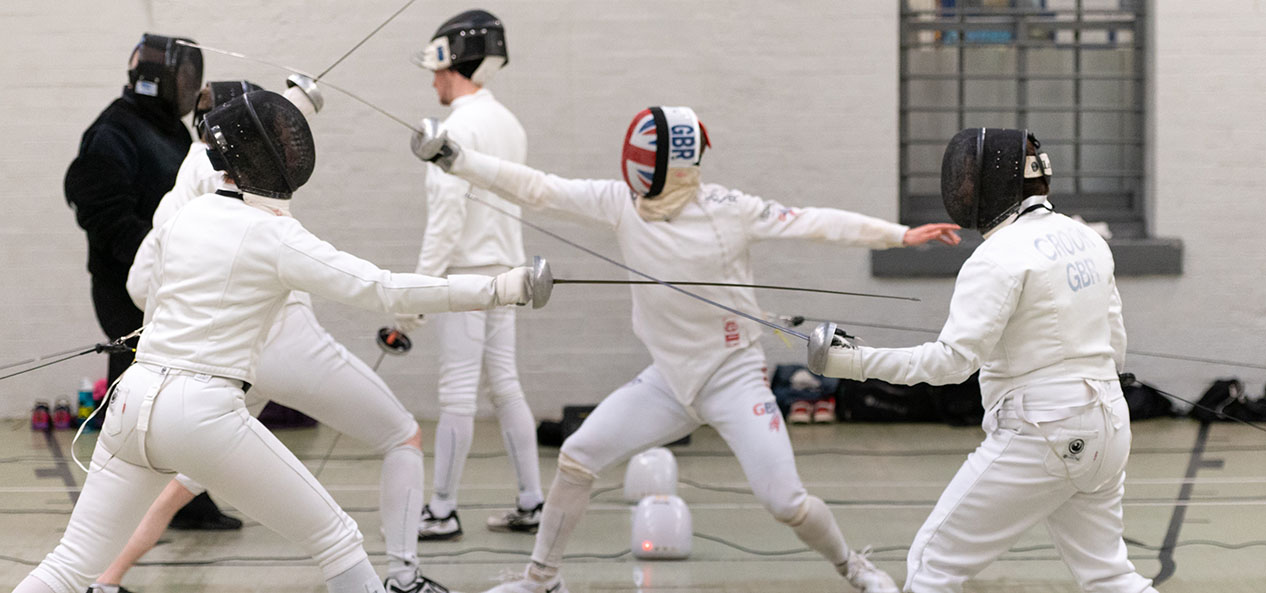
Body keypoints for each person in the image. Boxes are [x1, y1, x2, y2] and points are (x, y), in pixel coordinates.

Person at [411, 105, 961, 593]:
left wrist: (899, 235)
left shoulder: (729, 208)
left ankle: (853, 568)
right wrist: (455, 158)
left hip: (734, 377)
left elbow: (814, 223)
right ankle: (541, 577)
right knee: (578, 457)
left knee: (785, 503)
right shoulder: (619, 202)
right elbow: (538, 187)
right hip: (668, 381)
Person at [13, 90, 542, 593]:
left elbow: (141, 287)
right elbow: (383, 288)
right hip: (200, 411)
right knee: (338, 540)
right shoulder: (275, 237)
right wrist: (500, 287)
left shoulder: (187, 213)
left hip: (130, 402)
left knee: (67, 564)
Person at [87, 78, 450, 593]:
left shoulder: (191, 177)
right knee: (401, 434)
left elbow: (141, 284)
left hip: (221, 363)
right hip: (277, 342)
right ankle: (405, 577)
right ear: (242, 130)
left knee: (185, 479)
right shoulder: (248, 181)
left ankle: (104, 580)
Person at [807, 128, 1157, 593]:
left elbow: (952, 363)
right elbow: (1115, 340)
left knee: (933, 564)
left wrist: (852, 362)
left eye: (972, 177)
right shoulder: (1085, 238)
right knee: (1109, 575)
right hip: (1109, 426)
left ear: (999, 182)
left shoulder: (996, 256)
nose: (963, 187)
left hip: (1043, 432)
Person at [63, 31, 239, 535]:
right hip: (127, 290)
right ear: (159, 81)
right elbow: (94, 200)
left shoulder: (164, 128)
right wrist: (153, 256)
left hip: (163, 286)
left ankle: (179, 503)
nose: (190, 88)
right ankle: (112, 510)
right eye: (184, 79)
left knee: (176, 395)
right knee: (134, 402)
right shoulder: (115, 130)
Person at [406, 9, 544, 540]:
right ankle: (531, 501)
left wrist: (418, 290)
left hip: (466, 277)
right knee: (505, 386)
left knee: (458, 392)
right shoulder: (508, 122)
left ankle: (441, 510)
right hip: (507, 275)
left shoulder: (455, 129)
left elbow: (447, 218)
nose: (433, 81)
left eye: (436, 70)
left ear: (451, 65)